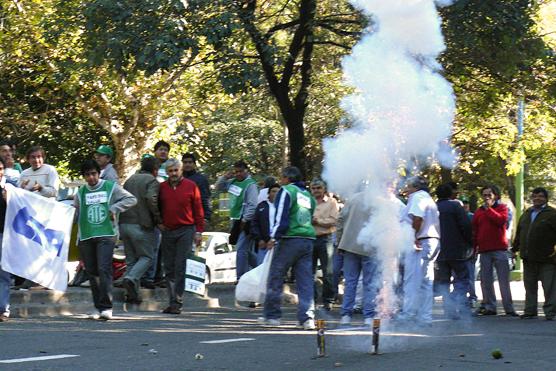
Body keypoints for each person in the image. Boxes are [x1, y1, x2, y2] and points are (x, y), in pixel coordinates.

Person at [75, 160, 136, 320]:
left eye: (93, 173)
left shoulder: (110, 187)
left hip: (106, 234)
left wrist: (114, 209)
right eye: (87, 175)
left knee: (104, 269)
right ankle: (98, 306)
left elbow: (131, 199)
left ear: (98, 173)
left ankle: (107, 307)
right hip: (86, 236)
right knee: (92, 272)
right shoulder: (80, 193)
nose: (91, 177)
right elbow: (75, 214)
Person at [259, 166, 316, 330]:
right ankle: (307, 318)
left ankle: (272, 316)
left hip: (290, 239)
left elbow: (281, 217)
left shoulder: (287, 191)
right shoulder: (307, 195)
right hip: (307, 239)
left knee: (276, 276)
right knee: (305, 281)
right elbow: (310, 216)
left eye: (282, 177)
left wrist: (273, 237)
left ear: (286, 178)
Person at [158, 158, 204, 314]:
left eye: (175, 170)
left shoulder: (191, 186)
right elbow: (156, 207)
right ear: (166, 172)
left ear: (181, 170)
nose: (173, 174)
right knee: (168, 267)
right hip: (168, 231)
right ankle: (172, 301)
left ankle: (177, 301)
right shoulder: (162, 187)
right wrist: (159, 223)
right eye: (170, 171)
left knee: (180, 266)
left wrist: (199, 232)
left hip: (186, 230)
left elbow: (198, 210)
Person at [119, 156, 162, 304]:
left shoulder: (130, 180)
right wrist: (158, 219)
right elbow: (152, 198)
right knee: (147, 257)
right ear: (155, 170)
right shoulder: (152, 181)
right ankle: (131, 278)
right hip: (141, 225)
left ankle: (132, 295)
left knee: (131, 259)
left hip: (124, 224)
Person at [336, 191, 381, 326]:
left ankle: (346, 315)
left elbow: (340, 220)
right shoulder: (379, 200)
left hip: (350, 245)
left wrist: (340, 241)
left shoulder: (352, 199)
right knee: (369, 283)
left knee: (350, 282)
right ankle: (368, 316)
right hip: (370, 247)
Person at [399, 176, 440, 325]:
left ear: (416, 187)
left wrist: (414, 236)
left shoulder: (417, 197)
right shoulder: (428, 198)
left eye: (409, 186)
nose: (406, 189)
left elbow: (417, 218)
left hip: (421, 241)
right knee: (426, 281)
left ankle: (409, 313)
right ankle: (425, 316)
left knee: (412, 279)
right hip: (431, 240)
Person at [472, 185, 517, 316]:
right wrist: (474, 248)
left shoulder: (503, 208)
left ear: (496, 196)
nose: (486, 198)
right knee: (486, 280)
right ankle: (490, 307)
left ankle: (509, 308)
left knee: (503, 281)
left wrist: (489, 209)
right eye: (484, 195)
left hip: (499, 249)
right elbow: (475, 231)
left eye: (489, 195)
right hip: (484, 250)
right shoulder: (479, 211)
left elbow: (501, 221)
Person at [512, 187, 556, 320]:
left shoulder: (552, 214)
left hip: (547, 258)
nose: (537, 198)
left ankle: (551, 312)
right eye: (535, 196)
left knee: (549, 287)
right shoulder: (526, 214)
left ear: (546, 199)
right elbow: (519, 233)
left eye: (541, 196)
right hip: (528, 257)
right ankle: (530, 311)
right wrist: (514, 249)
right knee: (529, 286)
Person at [434, 184, 473, 319]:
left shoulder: (434, 206)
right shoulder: (456, 206)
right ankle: (456, 302)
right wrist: (470, 242)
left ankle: (448, 309)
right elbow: (465, 225)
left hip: (439, 250)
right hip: (457, 249)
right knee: (462, 278)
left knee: (444, 281)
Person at [215, 160, 258, 279]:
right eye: (236, 171)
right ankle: (261, 267)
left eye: (240, 171)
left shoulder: (250, 185)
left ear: (246, 171)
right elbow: (218, 187)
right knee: (245, 250)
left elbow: (253, 204)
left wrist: (245, 219)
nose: (238, 174)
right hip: (234, 219)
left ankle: (241, 277)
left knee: (241, 249)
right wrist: (224, 177)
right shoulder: (232, 182)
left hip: (244, 221)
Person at [310, 179, 339, 311]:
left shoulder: (332, 203)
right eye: (314, 188)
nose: (316, 190)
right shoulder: (308, 201)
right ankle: (312, 299)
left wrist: (318, 221)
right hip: (310, 238)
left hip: (325, 238)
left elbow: (334, 220)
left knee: (328, 271)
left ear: (324, 189)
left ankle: (328, 299)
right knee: (309, 271)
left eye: (318, 188)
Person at [250, 183, 280, 265]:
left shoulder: (283, 207)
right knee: (261, 267)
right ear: (268, 193)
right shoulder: (261, 206)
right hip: (264, 243)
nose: (275, 194)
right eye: (273, 191)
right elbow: (254, 224)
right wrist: (259, 239)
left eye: (278, 192)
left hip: (278, 243)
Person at [182, 153, 212, 226]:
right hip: (181, 217)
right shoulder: (178, 178)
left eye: (190, 162)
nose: (187, 164)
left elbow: (205, 198)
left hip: (197, 217)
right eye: (185, 162)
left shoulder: (201, 179)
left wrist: (206, 217)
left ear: (194, 164)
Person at [0, 158, 11, 322]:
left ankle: (2, 309)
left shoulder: (9, 189)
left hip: (4, 236)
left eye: (1, 168)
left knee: (4, 275)